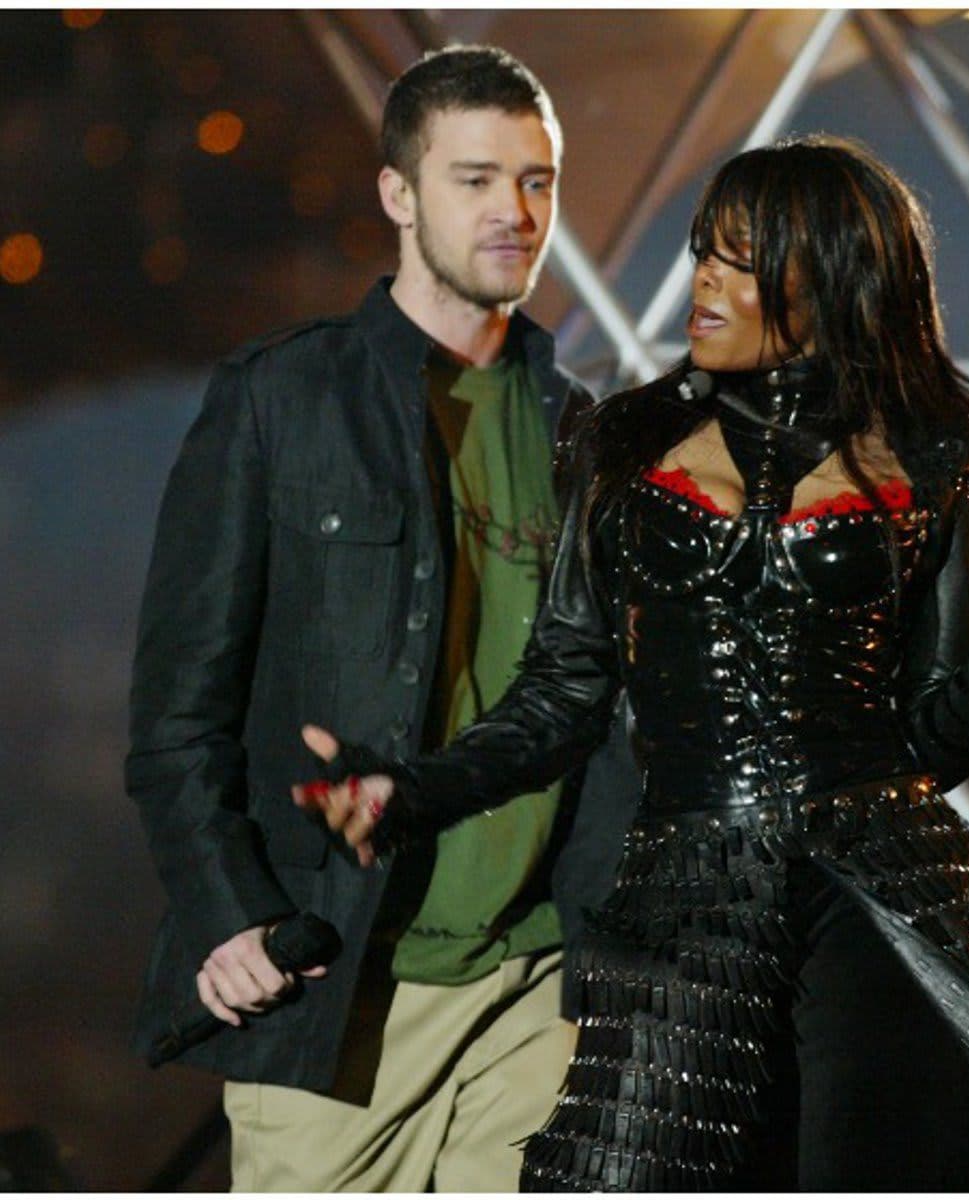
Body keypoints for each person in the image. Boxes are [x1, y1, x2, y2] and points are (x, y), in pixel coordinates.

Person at [295, 135, 969, 1191]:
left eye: (740, 261)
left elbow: (932, 741)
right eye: (704, 252)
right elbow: (563, 693)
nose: (704, 282)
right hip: (685, 894)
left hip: (878, 895)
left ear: (832, 280)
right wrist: (410, 790)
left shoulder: (948, 470)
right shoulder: (620, 447)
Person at [127, 44, 637, 1192]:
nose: (515, 211)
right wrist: (232, 917)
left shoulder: (589, 438)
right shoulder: (279, 402)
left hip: (533, 992)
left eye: (537, 180)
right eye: (475, 178)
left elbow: (604, 712)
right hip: (341, 989)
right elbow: (175, 717)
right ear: (399, 194)